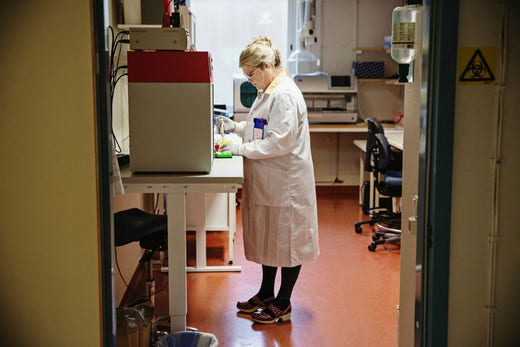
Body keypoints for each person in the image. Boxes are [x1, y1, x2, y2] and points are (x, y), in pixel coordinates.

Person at [217, 36, 319, 324]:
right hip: (269, 182)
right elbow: (260, 128)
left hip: (287, 185)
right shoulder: (268, 90)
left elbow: (279, 142)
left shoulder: (284, 94)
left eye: (251, 74)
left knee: (287, 243)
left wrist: (239, 148)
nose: (249, 80)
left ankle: (284, 302)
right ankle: (265, 292)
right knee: (270, 239)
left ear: (265, 65)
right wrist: (236, 127)